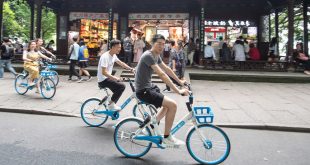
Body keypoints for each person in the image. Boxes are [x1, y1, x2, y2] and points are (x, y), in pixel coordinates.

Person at [135, 34, 189, 147]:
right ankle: (167, 137)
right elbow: (162, 74)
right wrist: (178, 90)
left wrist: (180, 81)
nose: (161, 46)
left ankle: (151, 124)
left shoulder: (156, 55)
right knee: (173, 105)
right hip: (143, 91)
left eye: (163, 44)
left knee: (167, 105)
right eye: (159, 43)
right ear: (152, 43)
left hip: (149, 87)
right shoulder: (148, 55)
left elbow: (167, 69)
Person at [97, 39, 135, 110]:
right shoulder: (105, 57)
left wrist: (131, 69)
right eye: (118, 47)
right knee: (122, 86)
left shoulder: (113, 55)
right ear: (113, 47)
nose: (120, 49)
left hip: (107, 78)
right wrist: (115, 78)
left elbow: (121, 63)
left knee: (118, 90)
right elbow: (104, 72)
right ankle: (111, 105)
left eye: (120, 47)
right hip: (103, 79)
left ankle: (111, 105)